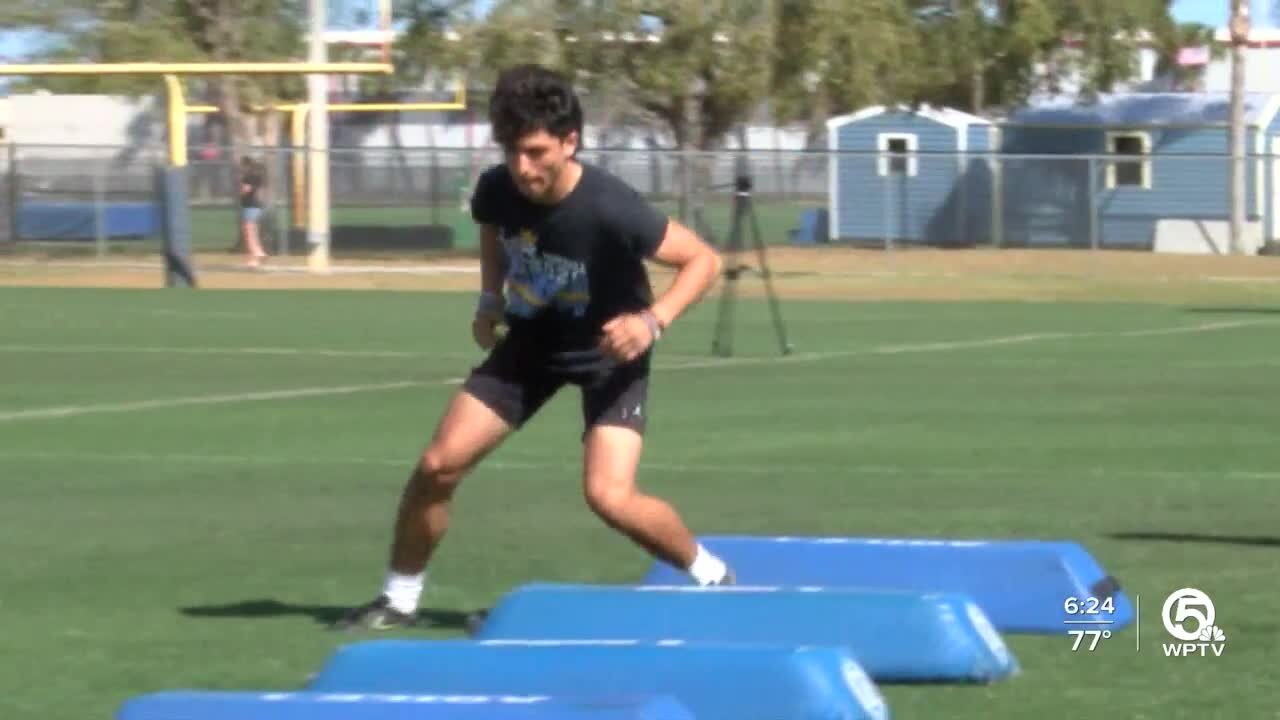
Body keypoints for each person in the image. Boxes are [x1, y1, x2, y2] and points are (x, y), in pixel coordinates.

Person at [333, 64, 734, 631]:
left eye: (537, 152)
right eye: (512, 152)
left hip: (609, 354)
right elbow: (493, 229)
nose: (523, 167)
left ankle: (715, 577)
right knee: (437, 466)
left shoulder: (610, 206)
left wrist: (653, 320)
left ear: (570, 141)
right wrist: (489, 298)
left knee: (608, 496)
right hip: (531, 344)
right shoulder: (498, 187)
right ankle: (398, 598)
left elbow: (704, 260)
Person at [238, 156, 268, 267]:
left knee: (249, 233)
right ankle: (254, 259)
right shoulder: (257, 176)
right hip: (256, 206)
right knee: (252, 231)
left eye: (242, 166)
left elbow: (246, 190)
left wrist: (240, 191)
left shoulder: (248, 176)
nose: (241, 168)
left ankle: (258, 252)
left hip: (250, 206)